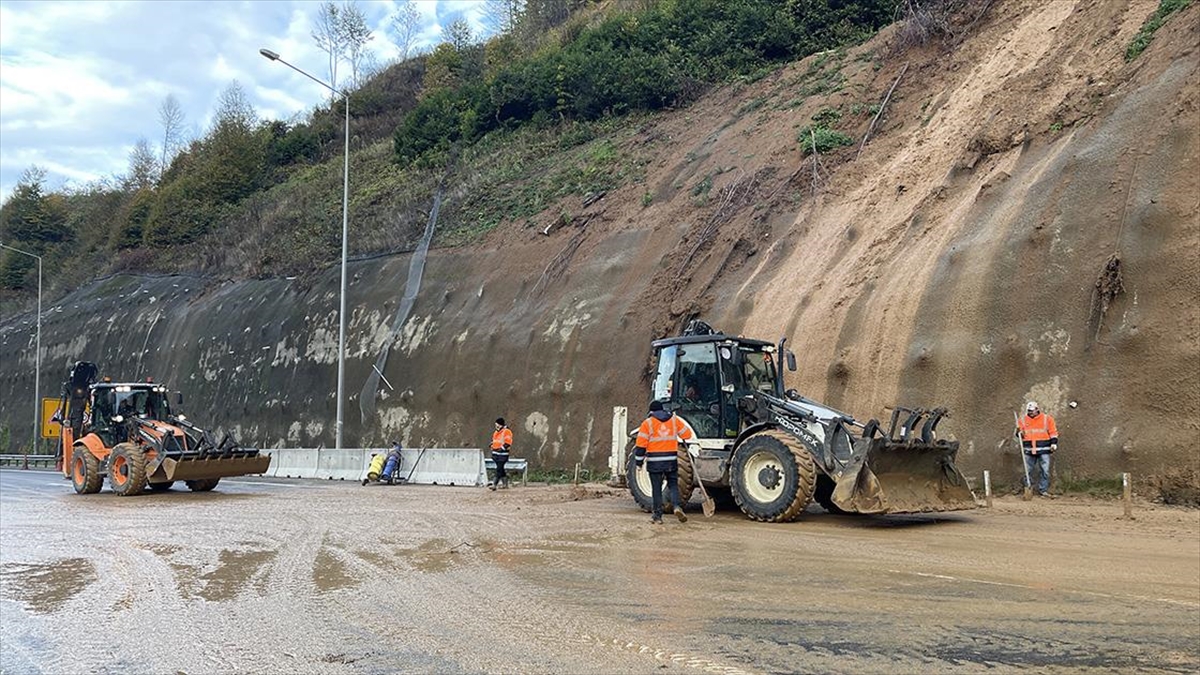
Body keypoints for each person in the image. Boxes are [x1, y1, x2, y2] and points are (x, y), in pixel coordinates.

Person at [634, 400, 695, 524]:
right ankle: (677, 506)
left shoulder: (648, 423)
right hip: (671, 461)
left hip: (655, 463)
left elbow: (640, 446)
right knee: (673, 485)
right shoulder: (673, 420)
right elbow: (687, 435)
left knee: (656, 489)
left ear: (651, 411)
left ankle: (658, 516)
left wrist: (639, 463)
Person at [1016, 401, 1058, 497]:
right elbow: (1020, 435)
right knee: (1027, 471)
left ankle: (1043, 490)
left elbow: (1053, 432)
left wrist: (1054, 443)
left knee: (1045, 470)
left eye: (1032, 411)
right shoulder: (1022, 420)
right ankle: (1028, 488)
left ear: (1037, 409)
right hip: (1029, 449)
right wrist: (1019, 433)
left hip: (1044, 449)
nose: (1030, 412)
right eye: (1028, 411)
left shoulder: (1047, 419)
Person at [489, 418, 513, 491]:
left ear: (501, 424)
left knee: (499, 469)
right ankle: (505, 484)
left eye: (497, 425)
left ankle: (494, 484)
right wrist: (492, 445)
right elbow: (495, 441)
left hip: (502, 454)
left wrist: (501, 448)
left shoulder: (507, 432)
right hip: (496, 454)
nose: (496, 426)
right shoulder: (496, 432)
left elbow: (508, 443)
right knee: (501, 469)